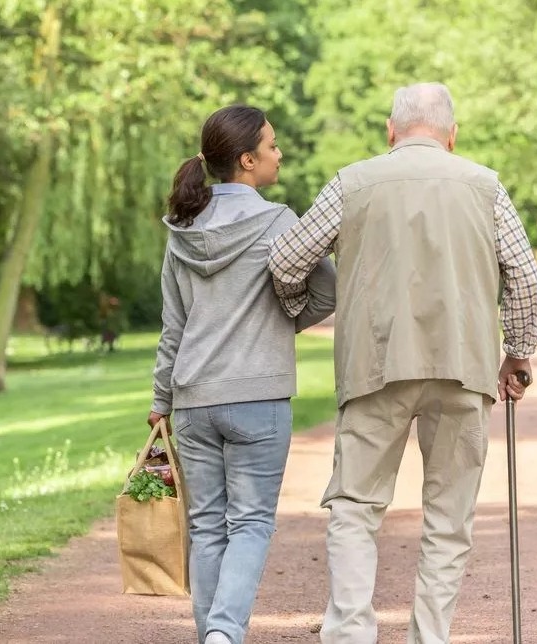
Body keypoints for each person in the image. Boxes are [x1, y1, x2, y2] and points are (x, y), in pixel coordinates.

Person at [268, 82, 537, 644]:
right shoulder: (486, 186)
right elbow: (525, 276)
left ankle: (349, 634)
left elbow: (287, 258)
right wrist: (518, 352)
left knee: (355, 507)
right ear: (452, 134)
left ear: (391, 131)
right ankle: (429, 637)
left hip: (375, 364)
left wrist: (304, 308)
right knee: (449, 519)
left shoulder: (352, 182)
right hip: (464, 366)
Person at [148, 104, 336, 644]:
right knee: (250, 524)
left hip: (193, 401)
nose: (280, 154)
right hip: (258, 397)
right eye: (273, 146)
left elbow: (173, 328)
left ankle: (213, 634)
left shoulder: (182, 230)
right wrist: (285, 322)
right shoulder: (280, 222)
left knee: (207, 527)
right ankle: (225, 634)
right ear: (248, 160)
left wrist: (162, 399)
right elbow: (329, 288)